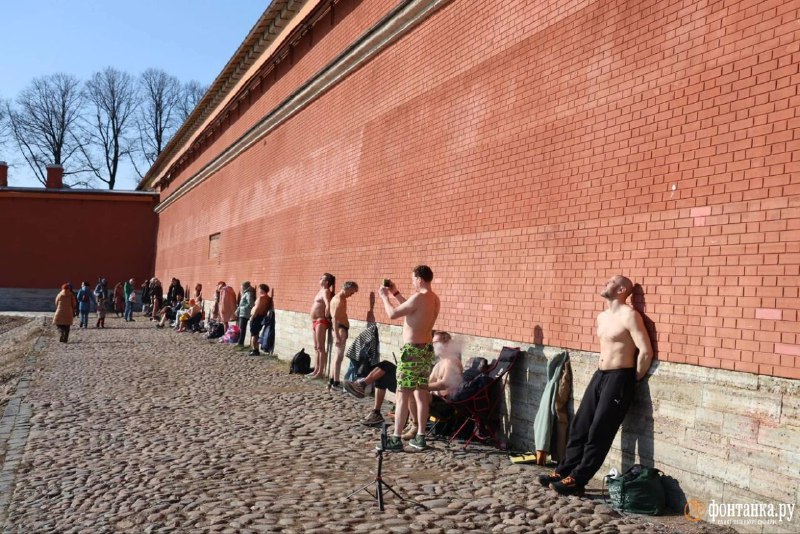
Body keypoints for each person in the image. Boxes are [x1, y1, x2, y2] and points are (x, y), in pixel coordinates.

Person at [540, 275, 653, 496]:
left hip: (620, 377)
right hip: (600, 375)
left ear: (621, 289)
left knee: (599, 431)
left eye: (610, 281)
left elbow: (646, 351)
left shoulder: (630, 316)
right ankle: (564, 470)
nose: (605, 283)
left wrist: (633, 380)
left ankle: (578, 480)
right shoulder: (602, 317)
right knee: (579, 426)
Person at [379, 265, 440, 451]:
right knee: (421, 394)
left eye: (413, 279)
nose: (412, 282)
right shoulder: (433, 298)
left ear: (420, 279)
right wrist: (395, 292)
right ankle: (421, 437)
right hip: (426, 351)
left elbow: (393, 314)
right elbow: (411, 308)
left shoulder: (419, 297)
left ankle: (396, 438)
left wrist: (384, 296)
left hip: (412, 351)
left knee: (402, 394)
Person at [344, 361, 398, 426]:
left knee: (386, 365)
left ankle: (361, 385)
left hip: (408, 386)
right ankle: (376, 413)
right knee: (381, 375)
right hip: (404, 382)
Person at [329, 281, 359, 390]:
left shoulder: (339, 298)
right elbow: (334, 318)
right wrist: (337, 335)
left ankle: (332, 380)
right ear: (347, 288)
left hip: (341, 328)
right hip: (340, 329)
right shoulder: (338, 300)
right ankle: (336, 382)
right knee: (339, 357)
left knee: (336, 356)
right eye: (352, 292)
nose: (352, 294)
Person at [308, 273, 335, 380]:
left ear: (326, 282)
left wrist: (327, 315)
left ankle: (320, 372)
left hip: (321, 320)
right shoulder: (320, 291)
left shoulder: (326, 291)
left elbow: (327, 303)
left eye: (322, 278)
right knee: (316, 347)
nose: (320, 279)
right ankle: (316, 369)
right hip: (314, 321)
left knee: (320, 347)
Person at [247, 284, 272, 356]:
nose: (258, 290)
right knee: (256, 333)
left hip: (256, 317)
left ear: (262, 290)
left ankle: (255, 349)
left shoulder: (261, 298)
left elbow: (257, 308)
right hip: (261, 316)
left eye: (259, 289)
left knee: (254, 334)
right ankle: (255, 349)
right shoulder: (268, 298)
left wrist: (252, 317)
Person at [235, 282, 255, 349]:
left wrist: (246, 308)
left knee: (242, 328)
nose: (241, 288)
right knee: (241, 328)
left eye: (242, 287)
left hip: (245, 313)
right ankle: (240, 342)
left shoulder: (248, 294)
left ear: (245, 287)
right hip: (242, 312)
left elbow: (251, 303)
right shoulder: (245, 293)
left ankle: (241, 343)